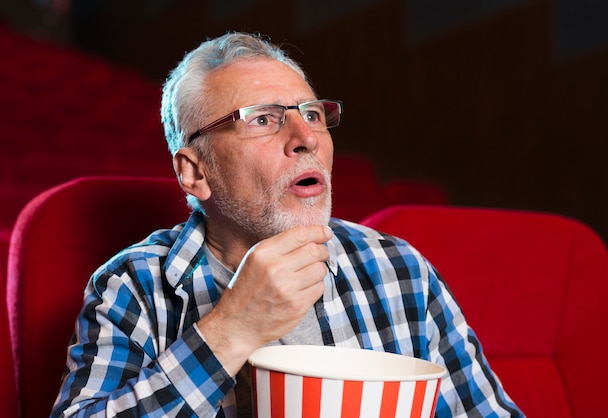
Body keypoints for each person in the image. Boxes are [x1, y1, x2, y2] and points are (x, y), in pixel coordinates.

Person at [51, 32, 523, 417]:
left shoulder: (399, 269)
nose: (306, 139)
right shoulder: (132, 287)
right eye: (263, 120)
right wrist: (232, 328)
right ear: (195, 172)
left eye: (312, 114)